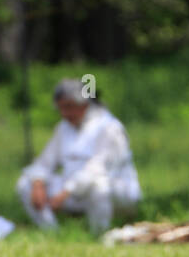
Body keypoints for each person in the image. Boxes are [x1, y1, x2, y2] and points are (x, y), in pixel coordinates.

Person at [17, 79, 141, 233]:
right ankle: (53, 234)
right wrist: (37, 183)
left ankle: (99, 235)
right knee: (25, 184)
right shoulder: (63, 128)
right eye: (61, 108)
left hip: (115, 192)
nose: (65, 114)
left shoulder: (110, 127)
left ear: (84, 103)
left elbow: (97, 169)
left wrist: (65, 193)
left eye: (69, 107)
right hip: (72, 193)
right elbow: (45, 162)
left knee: (98, 186)